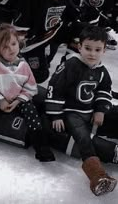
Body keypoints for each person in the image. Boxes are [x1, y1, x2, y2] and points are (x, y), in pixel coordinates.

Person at [45, 25, 117, 196]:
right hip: (71, 113)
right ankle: (97, 175)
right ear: (79, 47)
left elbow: (104, 90)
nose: (92, 53)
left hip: (91, 111)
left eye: (97, 49)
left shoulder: (101, 71)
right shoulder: (71, 65)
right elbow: (55, 87)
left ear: (104, 50)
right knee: (83, 138)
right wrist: (56, 115)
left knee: (114, 114)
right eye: (88, 48)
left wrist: (100, 110)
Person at [0, 23, 55, 162]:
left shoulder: (24, 66)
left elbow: (31, 87)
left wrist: (19, 100)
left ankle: (40, 145)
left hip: (17, 101)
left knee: (31, 109)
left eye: (13, 44)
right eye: (5, 47)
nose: (11, 49)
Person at [13, 0, 81, 83]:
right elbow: (20, 27)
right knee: (40, 76)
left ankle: (68, 67)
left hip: (54, 33)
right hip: (34, 40)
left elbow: (68, 16)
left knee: (82, 29)